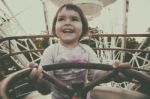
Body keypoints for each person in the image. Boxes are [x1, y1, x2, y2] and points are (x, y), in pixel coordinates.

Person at [29, 3, 129, 99]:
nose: (67, 22)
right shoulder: (50, 52)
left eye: (74, 19)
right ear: (55, 29)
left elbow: (97, 74)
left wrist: (113, 73)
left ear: (83, 28)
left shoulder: (87, 50)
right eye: (61, 19)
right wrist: (39, 80)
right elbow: (46, 89)